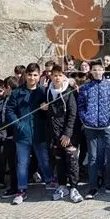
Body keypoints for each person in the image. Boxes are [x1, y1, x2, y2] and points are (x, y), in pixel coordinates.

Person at [5, 63, 54, 205]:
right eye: (30, 74)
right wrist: (18, 125)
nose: (32, 77)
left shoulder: (43, 91)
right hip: (22, 135)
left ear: (39, 76)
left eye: (35, 75)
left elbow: (51, 111)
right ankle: (21, 190)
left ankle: (49, 180)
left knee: (44, 159)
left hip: (39, 133)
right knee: (22, 163)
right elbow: (10, 111)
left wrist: (46, 109)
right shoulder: (17, 92)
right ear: (25, 75)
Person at [78, 61, 110, 198]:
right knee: (93, 157)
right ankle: (93, 186)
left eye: (100, 69)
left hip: (106, 126)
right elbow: (80, 106)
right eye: (94, 69)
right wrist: (85, 118)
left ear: (103, 71)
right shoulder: (85, 87)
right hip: (90, 127)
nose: (97, 72)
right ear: (91, 71)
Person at [42, 65, 84, 203]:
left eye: (59, 75)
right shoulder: (48, 92)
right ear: (51, 77)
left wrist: (67, 134)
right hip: (54, 134)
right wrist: (43, 107)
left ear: (63, 76)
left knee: (71, 160)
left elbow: (73, 114)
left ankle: (74, 187)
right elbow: (47, 111)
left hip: (68, 134)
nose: (57, 78)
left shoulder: (69, 91)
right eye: (54, 75)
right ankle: (62, 185)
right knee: (59, 161)